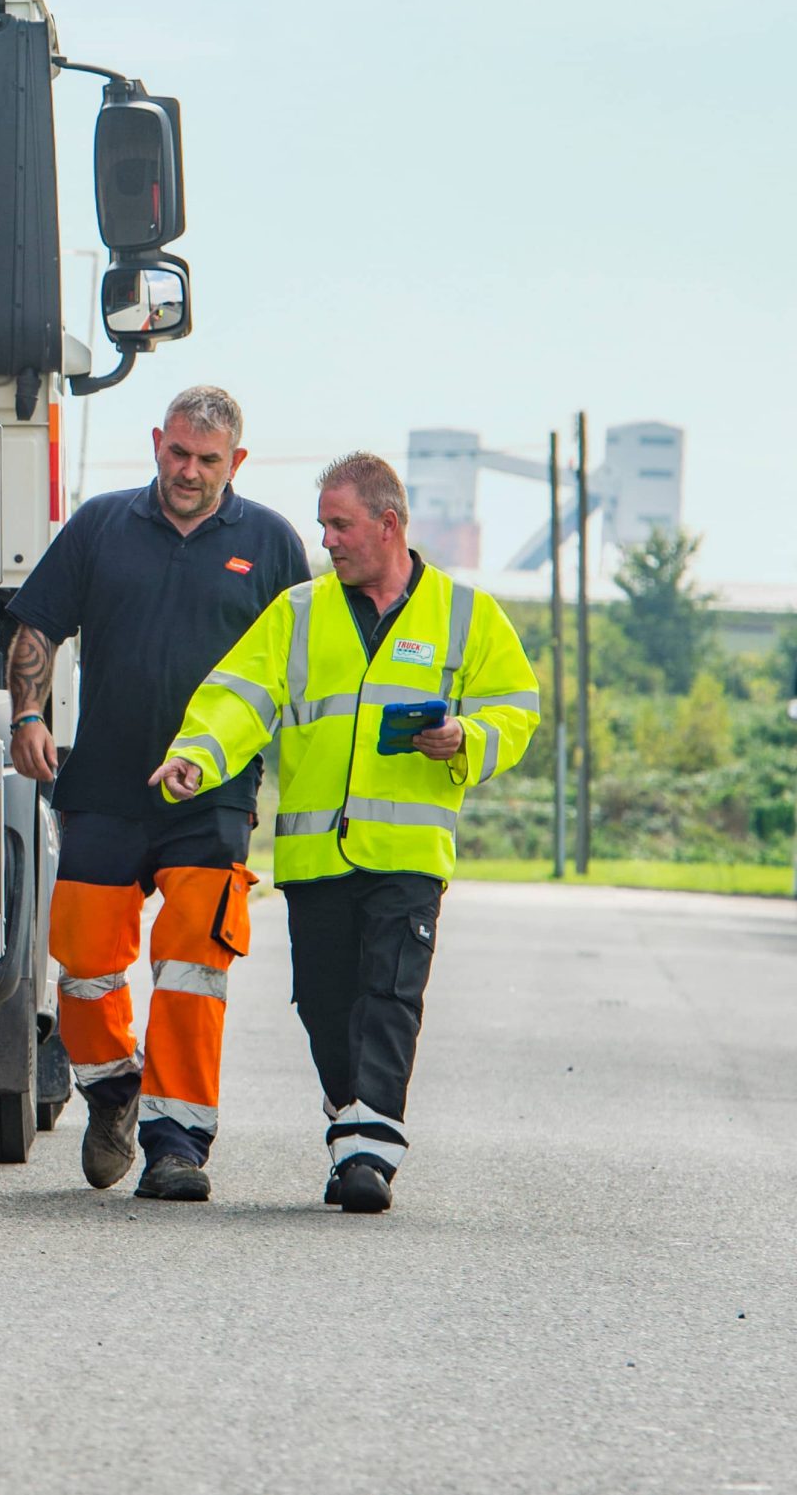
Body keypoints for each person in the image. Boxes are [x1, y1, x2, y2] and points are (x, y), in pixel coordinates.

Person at [151, 452, 539, 1213]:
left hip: (407, 854)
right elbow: (241, 692)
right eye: (323, 522)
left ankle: (368, 1154)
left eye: (340, 523)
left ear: (388, 525)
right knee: (327, 1004)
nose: (324, 538)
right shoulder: (299, 611)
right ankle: (352, 1119)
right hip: (316, 854)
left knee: (389, 997)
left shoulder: (468, 614)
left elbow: (516, 709)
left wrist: (467, 735)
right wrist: (197, 753)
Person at [6, 386, 309, 1201]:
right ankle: (113, 1090)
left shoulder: (273, 544)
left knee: (192, 965)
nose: (190, 470)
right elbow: (37, 624)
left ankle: (178, 1142)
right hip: (103, 783)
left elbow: (304, 674)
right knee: (83, 966)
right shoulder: (103, 525)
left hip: (212, 796)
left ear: (236, 462)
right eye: (178, 452)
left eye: (209, 459)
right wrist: (29, 712)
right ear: (156, 443)